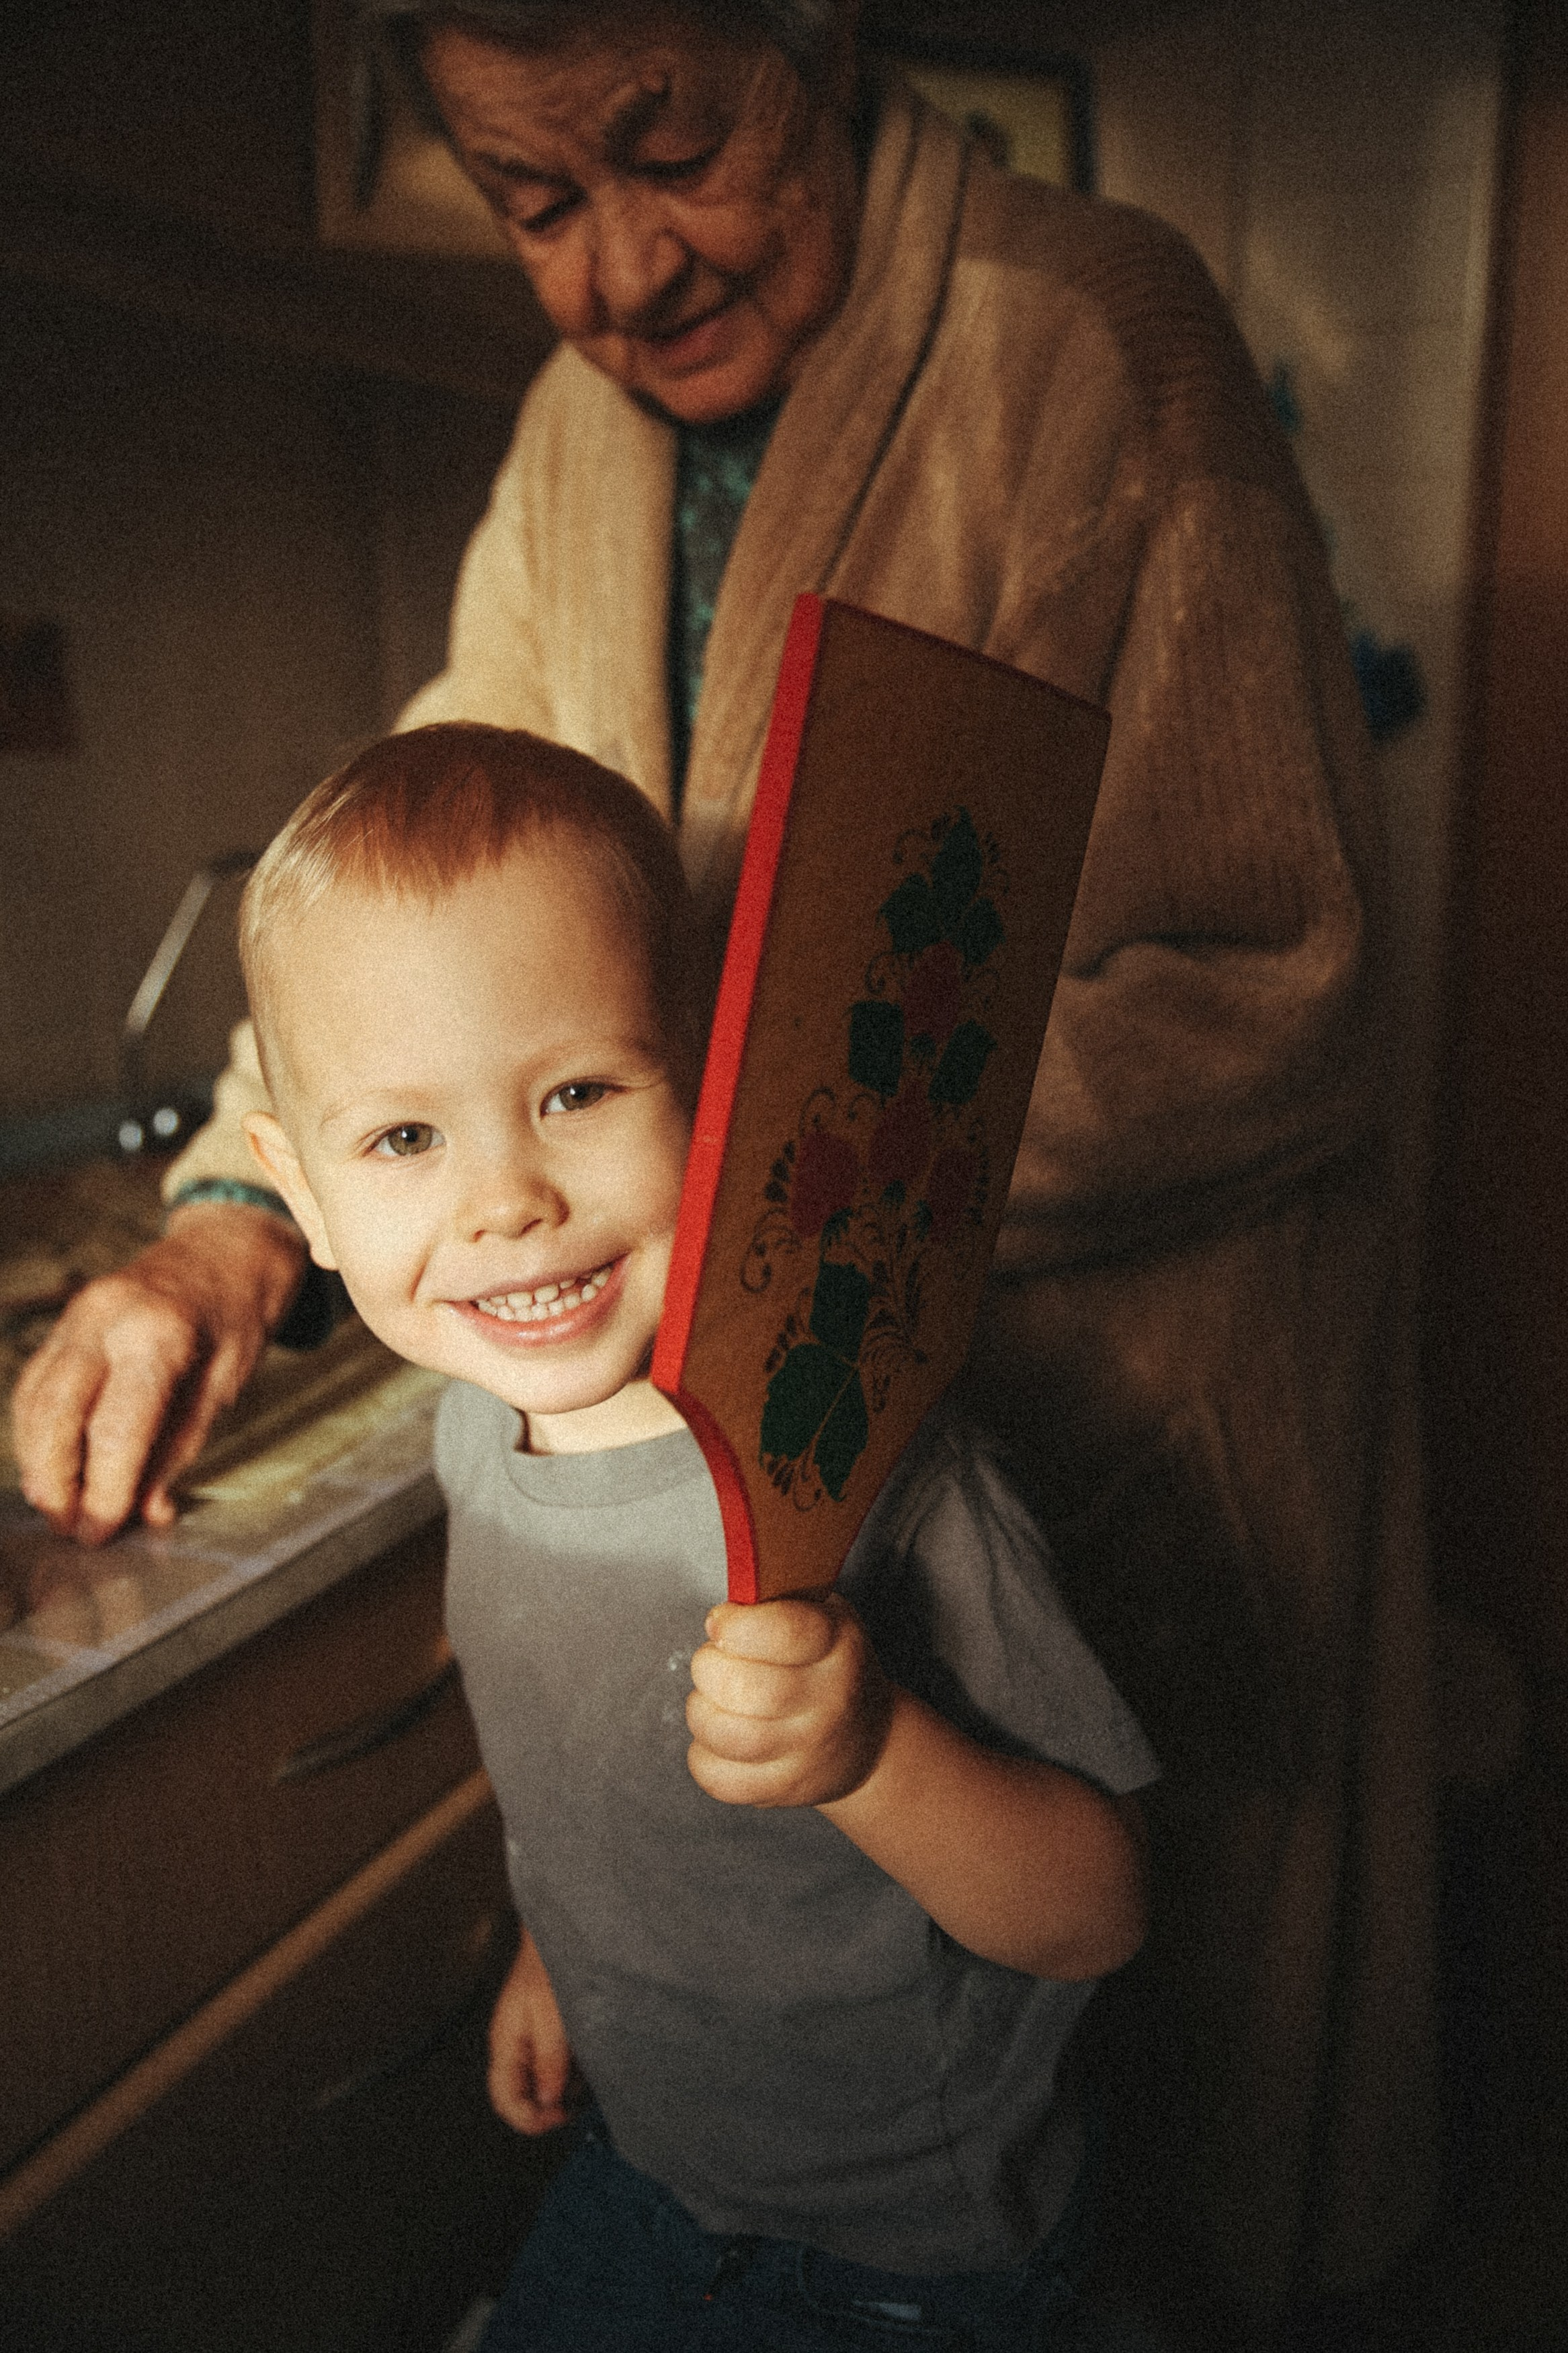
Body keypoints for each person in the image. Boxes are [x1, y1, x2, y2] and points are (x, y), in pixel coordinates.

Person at [10, 0, 1435, 2320]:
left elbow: (1279, 969)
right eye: (534, 200)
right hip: (717, 1518)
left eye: (668, 152)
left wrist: (788, 1181)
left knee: (1123, 2126)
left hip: (1096, 1415)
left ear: (825, 49)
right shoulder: (572, 435)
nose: (615, 274)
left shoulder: (1088, 334)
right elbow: (425, 897)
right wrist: (225, 1228)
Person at [237, 717, 1159, 2351]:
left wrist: (870, 1748)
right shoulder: (472, 1429)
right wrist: (561, 1956)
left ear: (724, 1088)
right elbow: (593, 1778)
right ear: (297, 1192)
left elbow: (1097, 1907)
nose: (505, 1197)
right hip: (650, 2157)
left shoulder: (871, 1463)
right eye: (401, 1138)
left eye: (577, 1090)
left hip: (904, 2239)